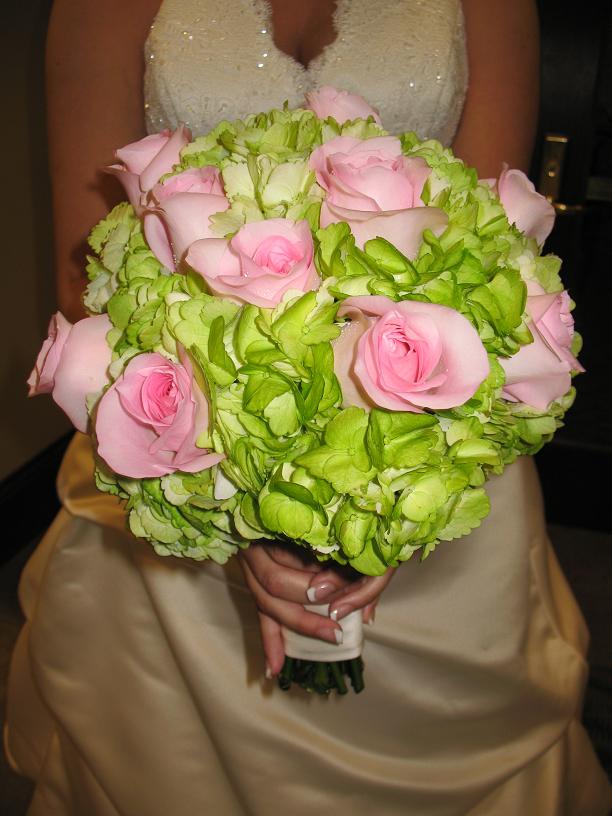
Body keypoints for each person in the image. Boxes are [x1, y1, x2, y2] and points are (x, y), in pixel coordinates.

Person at [5, 0, 612, 813]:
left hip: (432, 450)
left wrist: (386, 498)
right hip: (183, 448)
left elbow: (490, 250)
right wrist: (247, 507)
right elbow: (86, 276)